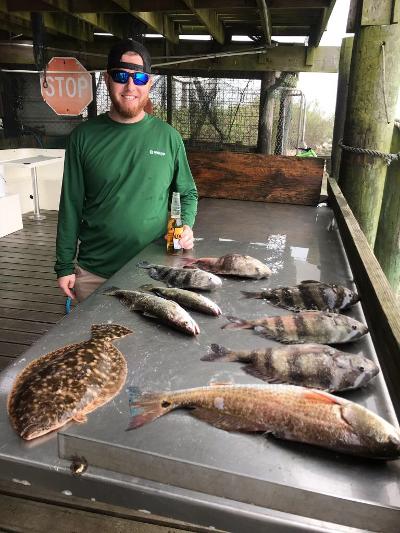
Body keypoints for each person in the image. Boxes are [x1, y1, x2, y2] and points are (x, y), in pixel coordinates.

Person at [55, 39, 198, 302]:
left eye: (139, 78)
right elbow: (71, 205)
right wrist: (64, 265)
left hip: (152, 269)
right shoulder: (82, 137)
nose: (131, 86)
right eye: (122, 76)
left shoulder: (169, 137)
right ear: (108, 79)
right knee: (92, 340)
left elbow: (187, 192)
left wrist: (186, 224)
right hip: (94, 271)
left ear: (149, 83)